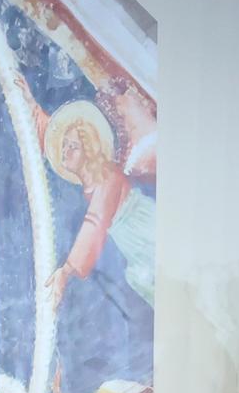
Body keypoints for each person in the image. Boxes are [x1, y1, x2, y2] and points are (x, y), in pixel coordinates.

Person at [16, 76, 155, 310]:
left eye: (74, 146)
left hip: (147, 232)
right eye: (65, 145)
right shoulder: (94, 179)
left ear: (90, 149)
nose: (65, 150)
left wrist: (67, 271)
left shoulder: (107, 177)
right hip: (135, 247)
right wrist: (30, 105)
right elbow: (52, 134)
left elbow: (95, 221)